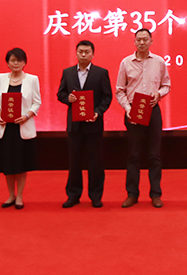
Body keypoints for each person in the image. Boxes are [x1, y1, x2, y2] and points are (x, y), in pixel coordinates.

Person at [115, 28, 171, 208]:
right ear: (134, 42)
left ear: (151, 41)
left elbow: (167, 85)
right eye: (138, 39)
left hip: (152, 110)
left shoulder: (159, 62)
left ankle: (155, 194)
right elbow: (119, 90)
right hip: (133, 111)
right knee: (133, 154)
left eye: (145, 39)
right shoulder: (126, 62)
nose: (141, 42)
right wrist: (128, 108)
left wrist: (159, 94)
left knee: (154, 154)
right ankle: (132, 194)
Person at [56, 40, 113, 208]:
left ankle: (96, 196)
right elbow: (60, 94)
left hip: (93, 124)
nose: (83, 54)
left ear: (93, 54)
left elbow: (107, 97)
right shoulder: (68, 73)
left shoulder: (101, 73)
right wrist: (68, 98)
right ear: (76, 53)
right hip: (74, 125)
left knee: (96, 161)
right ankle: (73, 195)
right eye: (80, 51)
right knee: (74, 161)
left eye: (87, 52)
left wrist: (98, 112)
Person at [0, 48, 41, 210]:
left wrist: (27, 116)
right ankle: (10, 195)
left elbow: (36, 102)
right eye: (12, 60)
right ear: (7, 63)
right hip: (6, 128)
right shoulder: (1, 78)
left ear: (24, 62)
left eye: (19, 60)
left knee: (20, 164)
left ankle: (19, 195)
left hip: (22, 127)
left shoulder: (32, 79)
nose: (16, 63)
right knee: (8, 164)